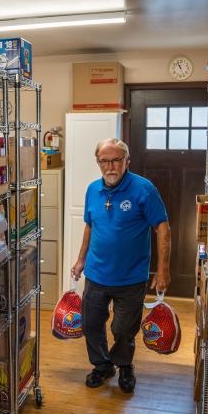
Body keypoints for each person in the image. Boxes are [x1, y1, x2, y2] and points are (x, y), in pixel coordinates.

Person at [70, 138, 171, 392]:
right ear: (98, 163)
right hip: (96, 273)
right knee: (91, 323)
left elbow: (162, 227)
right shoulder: (93, 190)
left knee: (123, 328)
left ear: (127, 161)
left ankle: (124, 365)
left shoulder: (144, 189)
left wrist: (163, 270)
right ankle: (102, 366)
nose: (110, 166)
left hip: (131, 277)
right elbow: (90, 225)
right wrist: (81, 259)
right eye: (104, 161)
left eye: (116, 160)